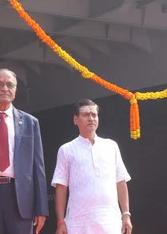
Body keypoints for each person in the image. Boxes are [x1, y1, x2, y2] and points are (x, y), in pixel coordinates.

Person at [0, 68, 48, 234]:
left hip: (20, 198)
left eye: (10, 85)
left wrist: (42, 208)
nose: (5, 88)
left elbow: (38, 167)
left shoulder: (30, 122)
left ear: (15, 90)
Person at [51, 100, 132, 234]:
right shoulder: (67, 150)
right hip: (78, 223)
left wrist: (126, 214)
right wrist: (60, 221)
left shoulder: (111, 146)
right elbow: (61, 187)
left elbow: (121, 181)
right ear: (75, 119)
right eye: (86, 115)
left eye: (94, 115)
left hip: (110, 220)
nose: (91, 118)